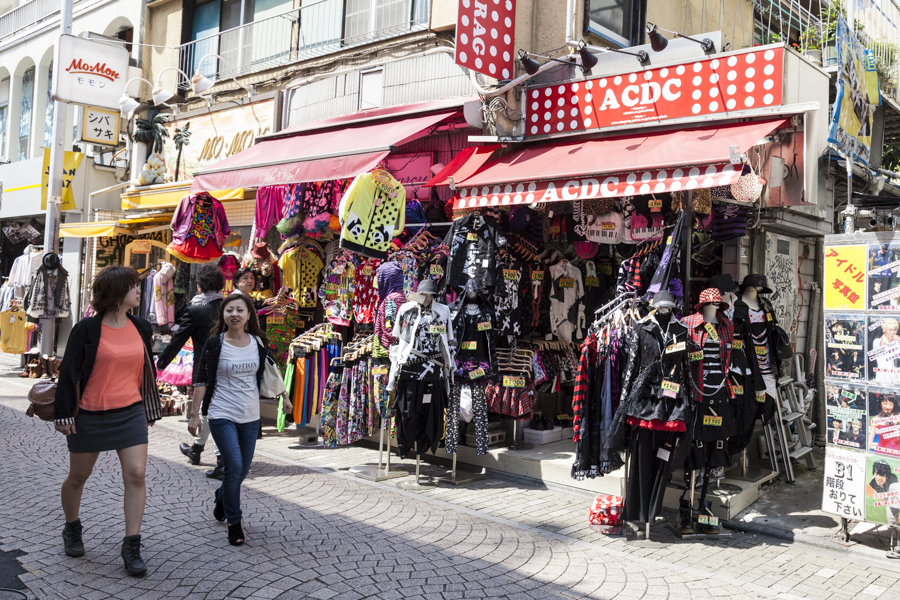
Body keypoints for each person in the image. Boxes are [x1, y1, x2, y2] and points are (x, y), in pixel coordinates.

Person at [54, 266, 161, 576]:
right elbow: (68, 373)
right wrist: (63, 413)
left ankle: (131, 546)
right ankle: (72, 527)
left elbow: (146, 369)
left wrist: (149, 406)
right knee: (78, 477)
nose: (139, 291)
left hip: (130, 412)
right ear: (116, 292)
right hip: (90, 414)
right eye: (133, 286)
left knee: (136, 474)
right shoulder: (86, 329)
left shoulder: (141, 326)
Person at [189, 293, 270, 546]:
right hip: (221, 413)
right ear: (223, 314)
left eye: (240, 310)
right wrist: (194, 415)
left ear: (248, 315)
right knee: (233, 467)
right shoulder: (215, 344)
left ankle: (222, 496)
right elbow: (201, 379)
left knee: (242, 470)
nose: (234, 314)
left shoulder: (258, 342)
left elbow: (269, 372)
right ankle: (235, 523)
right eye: (229, 310)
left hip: (250, 415)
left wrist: (285, 397)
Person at [156, 264, 225, 471]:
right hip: (229, 366)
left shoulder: (195, 310)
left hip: (205, 367)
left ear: (200, 286)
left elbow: (178, 339)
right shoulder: (228, 307)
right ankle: (196, 449)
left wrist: (160, 363)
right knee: (214, 409)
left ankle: (220, 459)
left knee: (210, 410)